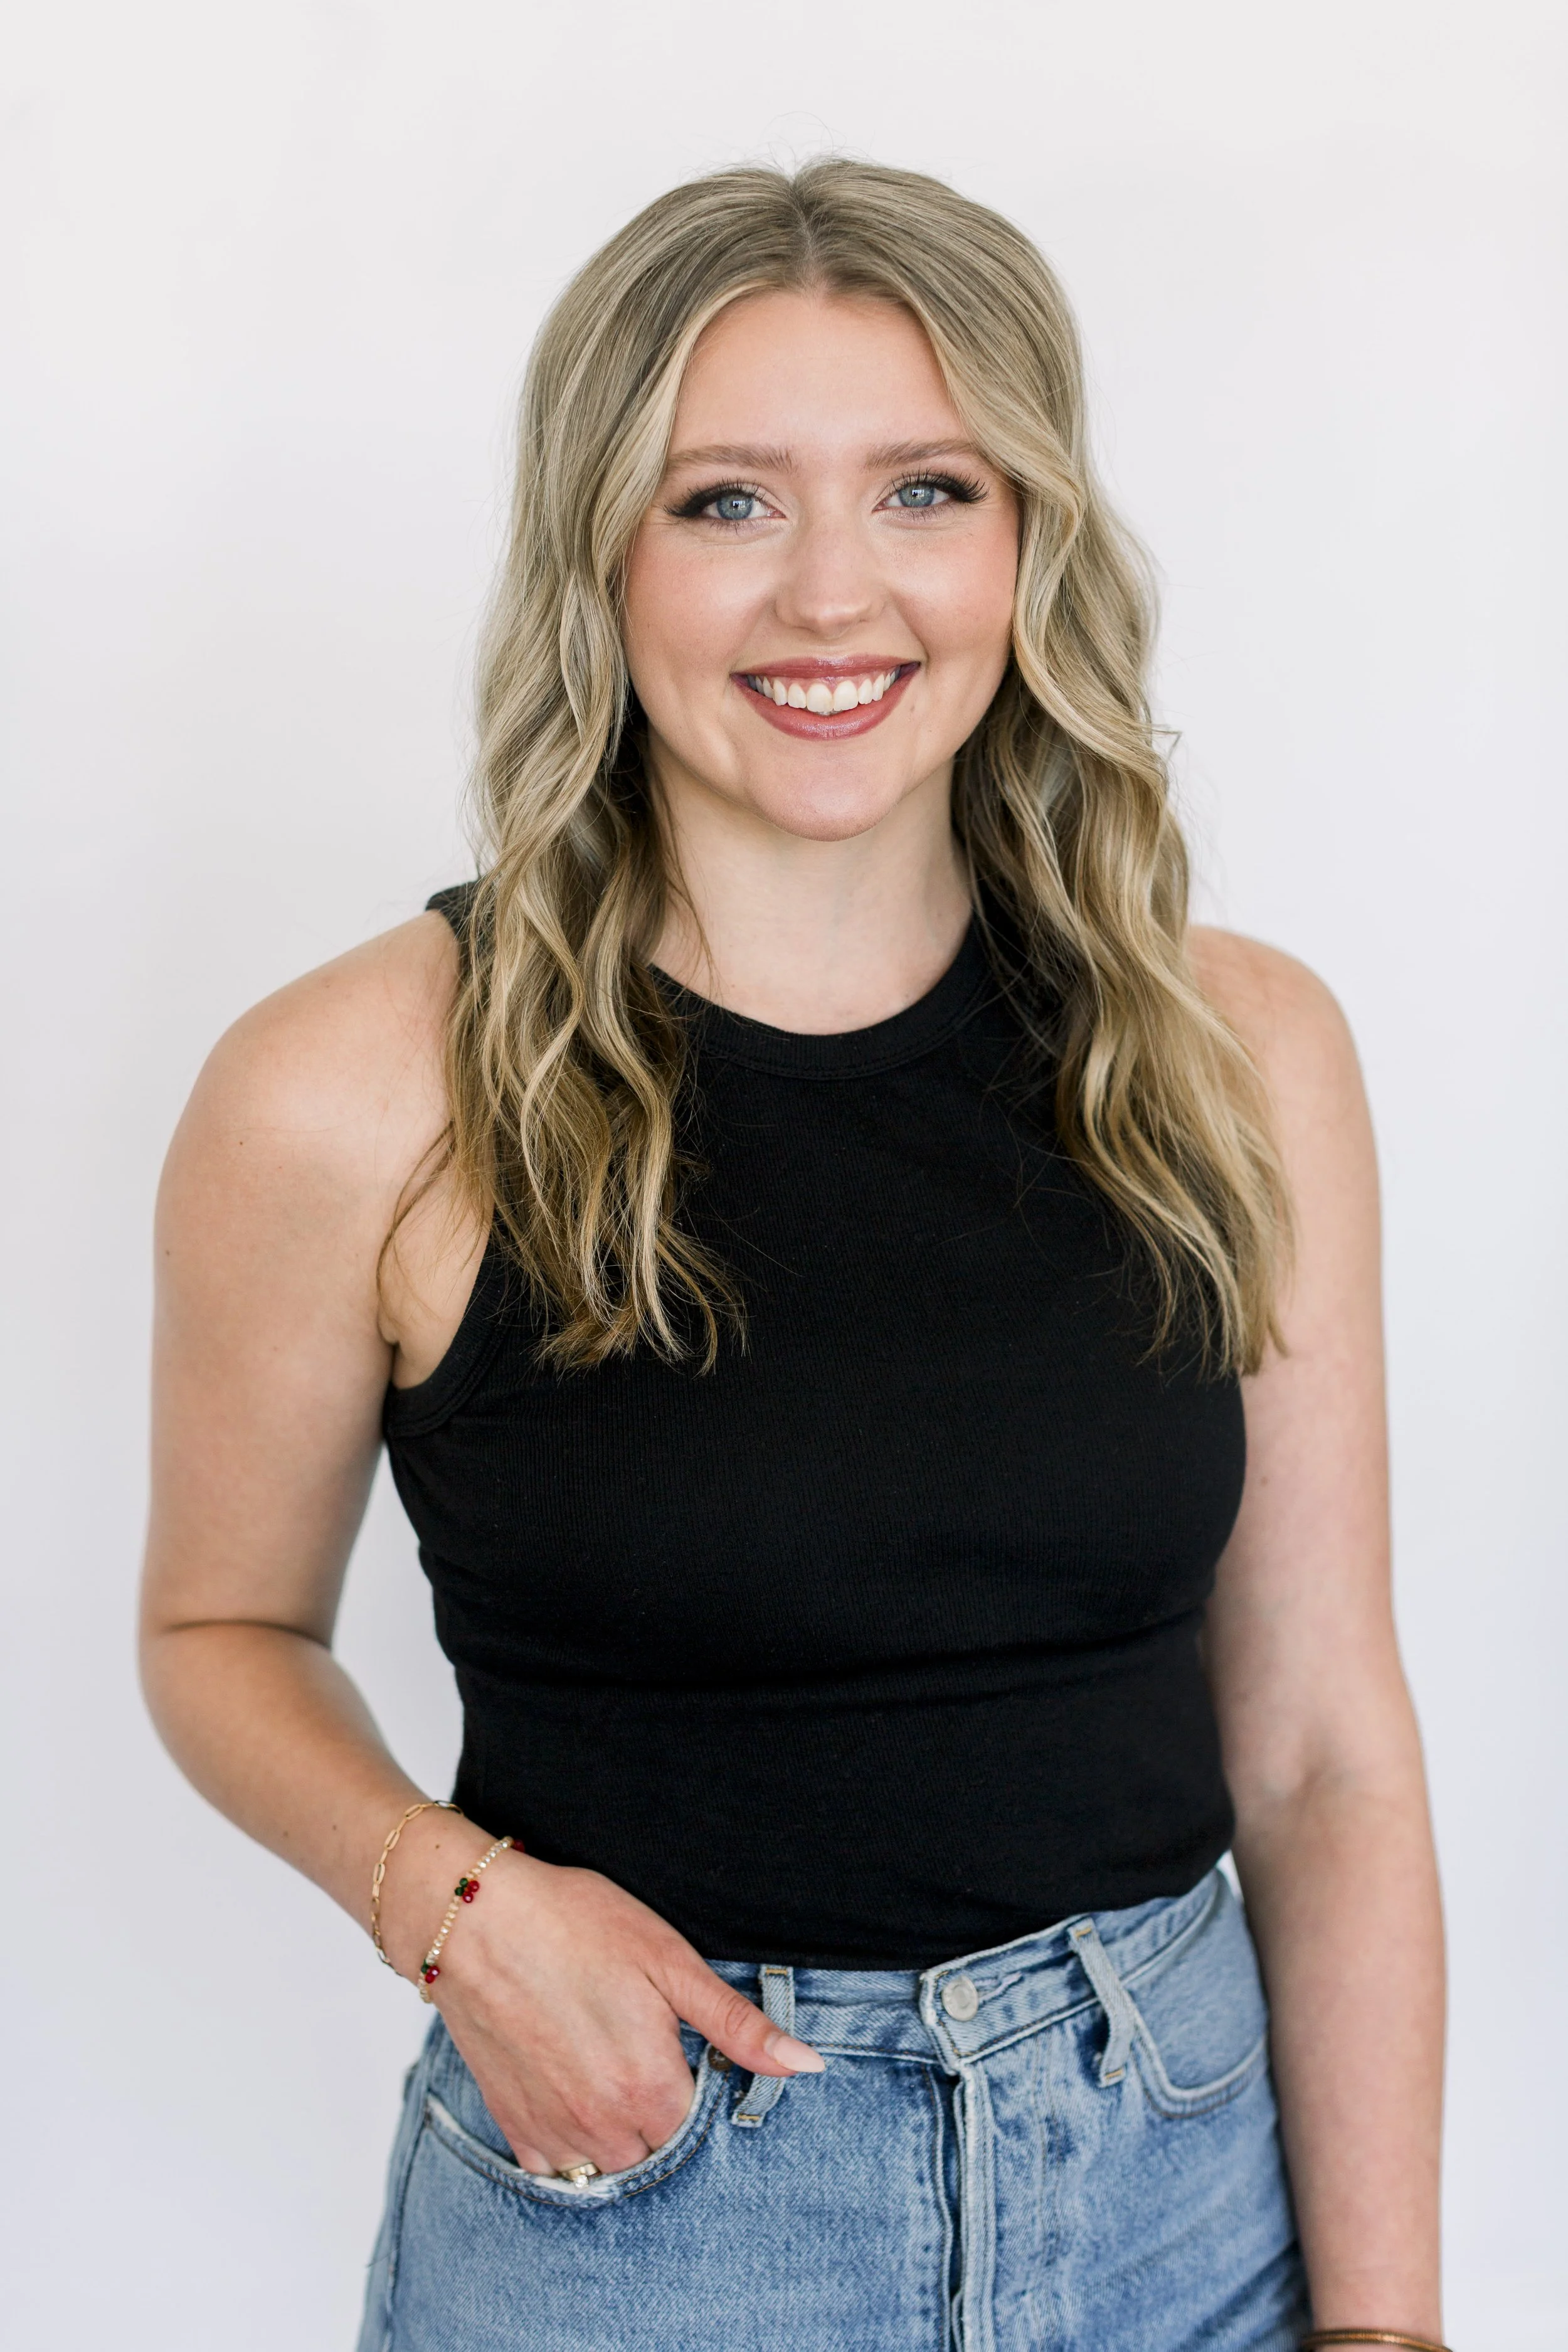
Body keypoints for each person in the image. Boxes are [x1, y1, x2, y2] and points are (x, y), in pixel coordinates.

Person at [140, 161, 1446, 2352]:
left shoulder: (1239, 1051)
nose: (832, 597)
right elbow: (217, 1627)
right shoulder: (357, 1090)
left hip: (1179, 2197)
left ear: (1027, 542)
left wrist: (1391, 2326)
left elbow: (1320, 1748)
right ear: (599, 554)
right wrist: (452, 1909)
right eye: (726, 502)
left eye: (924, 489)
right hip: (641, 2205)